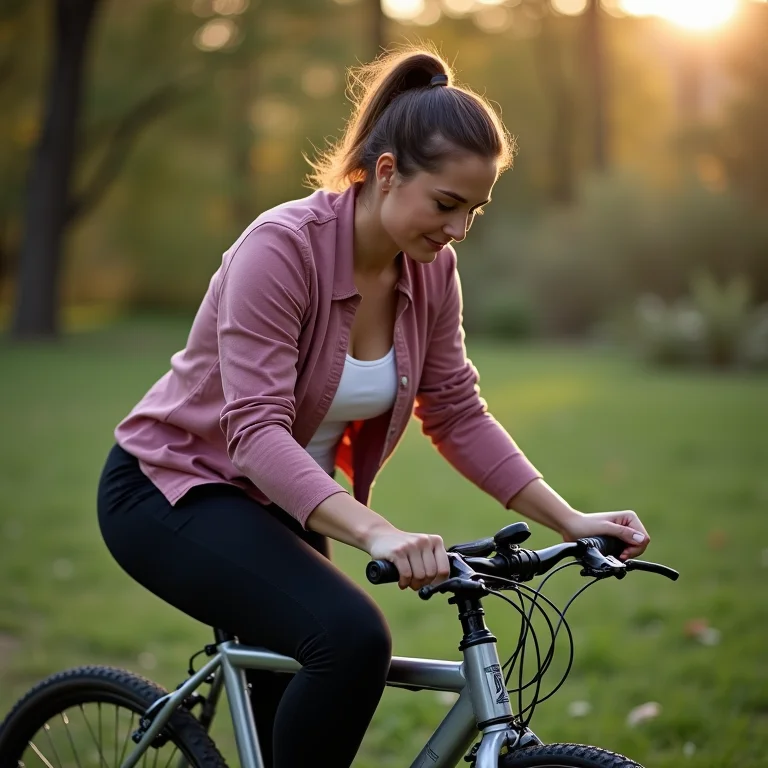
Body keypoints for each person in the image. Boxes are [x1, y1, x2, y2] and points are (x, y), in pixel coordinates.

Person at [97, 47, 650, 768]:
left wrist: (569, 517)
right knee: (351, 637)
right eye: (446, 204)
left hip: (283, 505)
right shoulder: (281, 250)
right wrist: (380, 534)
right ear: (386, 172)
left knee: (303, 703)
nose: (458, 230)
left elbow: (455, 410)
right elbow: (255, 430)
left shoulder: (430, 270)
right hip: (169, 490)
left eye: (474, 211)